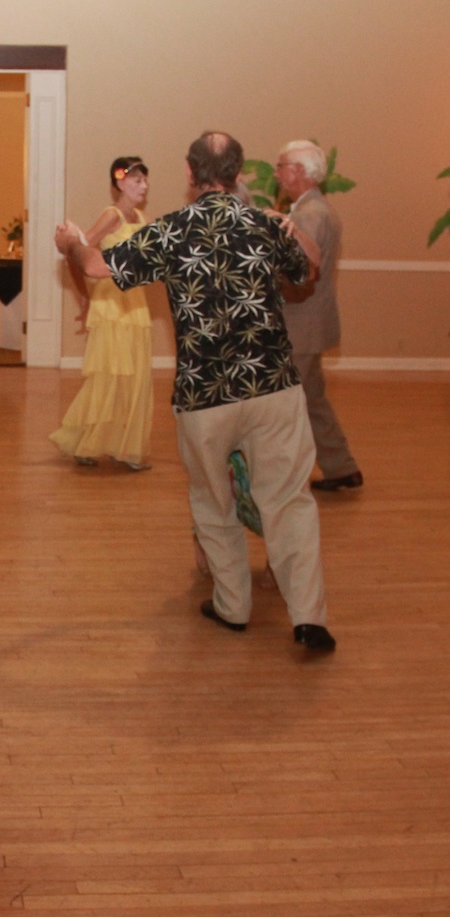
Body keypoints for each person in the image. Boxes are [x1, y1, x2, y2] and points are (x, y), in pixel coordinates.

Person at [56, 130, 337, 652]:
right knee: (289, 503)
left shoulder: (172, 229)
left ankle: (233, 608)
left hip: (205, 395)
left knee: (213, 503)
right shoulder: (263, 223)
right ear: (237, 172)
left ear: (190, 174)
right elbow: (311, 268)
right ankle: (310, 619)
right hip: (274, 386)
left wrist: (69, 242)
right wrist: (290, 228)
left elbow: (95, 267)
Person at [49, 157, 154, 470]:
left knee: (135, 377)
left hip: (135, 302)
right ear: (120, 182)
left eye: (145, 181)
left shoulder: (141, 216)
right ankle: (86, 442)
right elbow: (81, 251)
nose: (143, 186)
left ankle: (127, 448)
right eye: (136, 180)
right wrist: (84, 296)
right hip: (112, 305)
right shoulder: (112, 215)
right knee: (109, 374)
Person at [275, 140, 362, 492]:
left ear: (297, 171)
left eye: (281, 166)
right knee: (311, 399)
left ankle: (286, 479)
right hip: (309, 325)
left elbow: (302, 273)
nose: (277, 172)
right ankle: (341, 466)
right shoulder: (314, 209)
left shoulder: (309, 215)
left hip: (300, 325)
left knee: (288, 407)